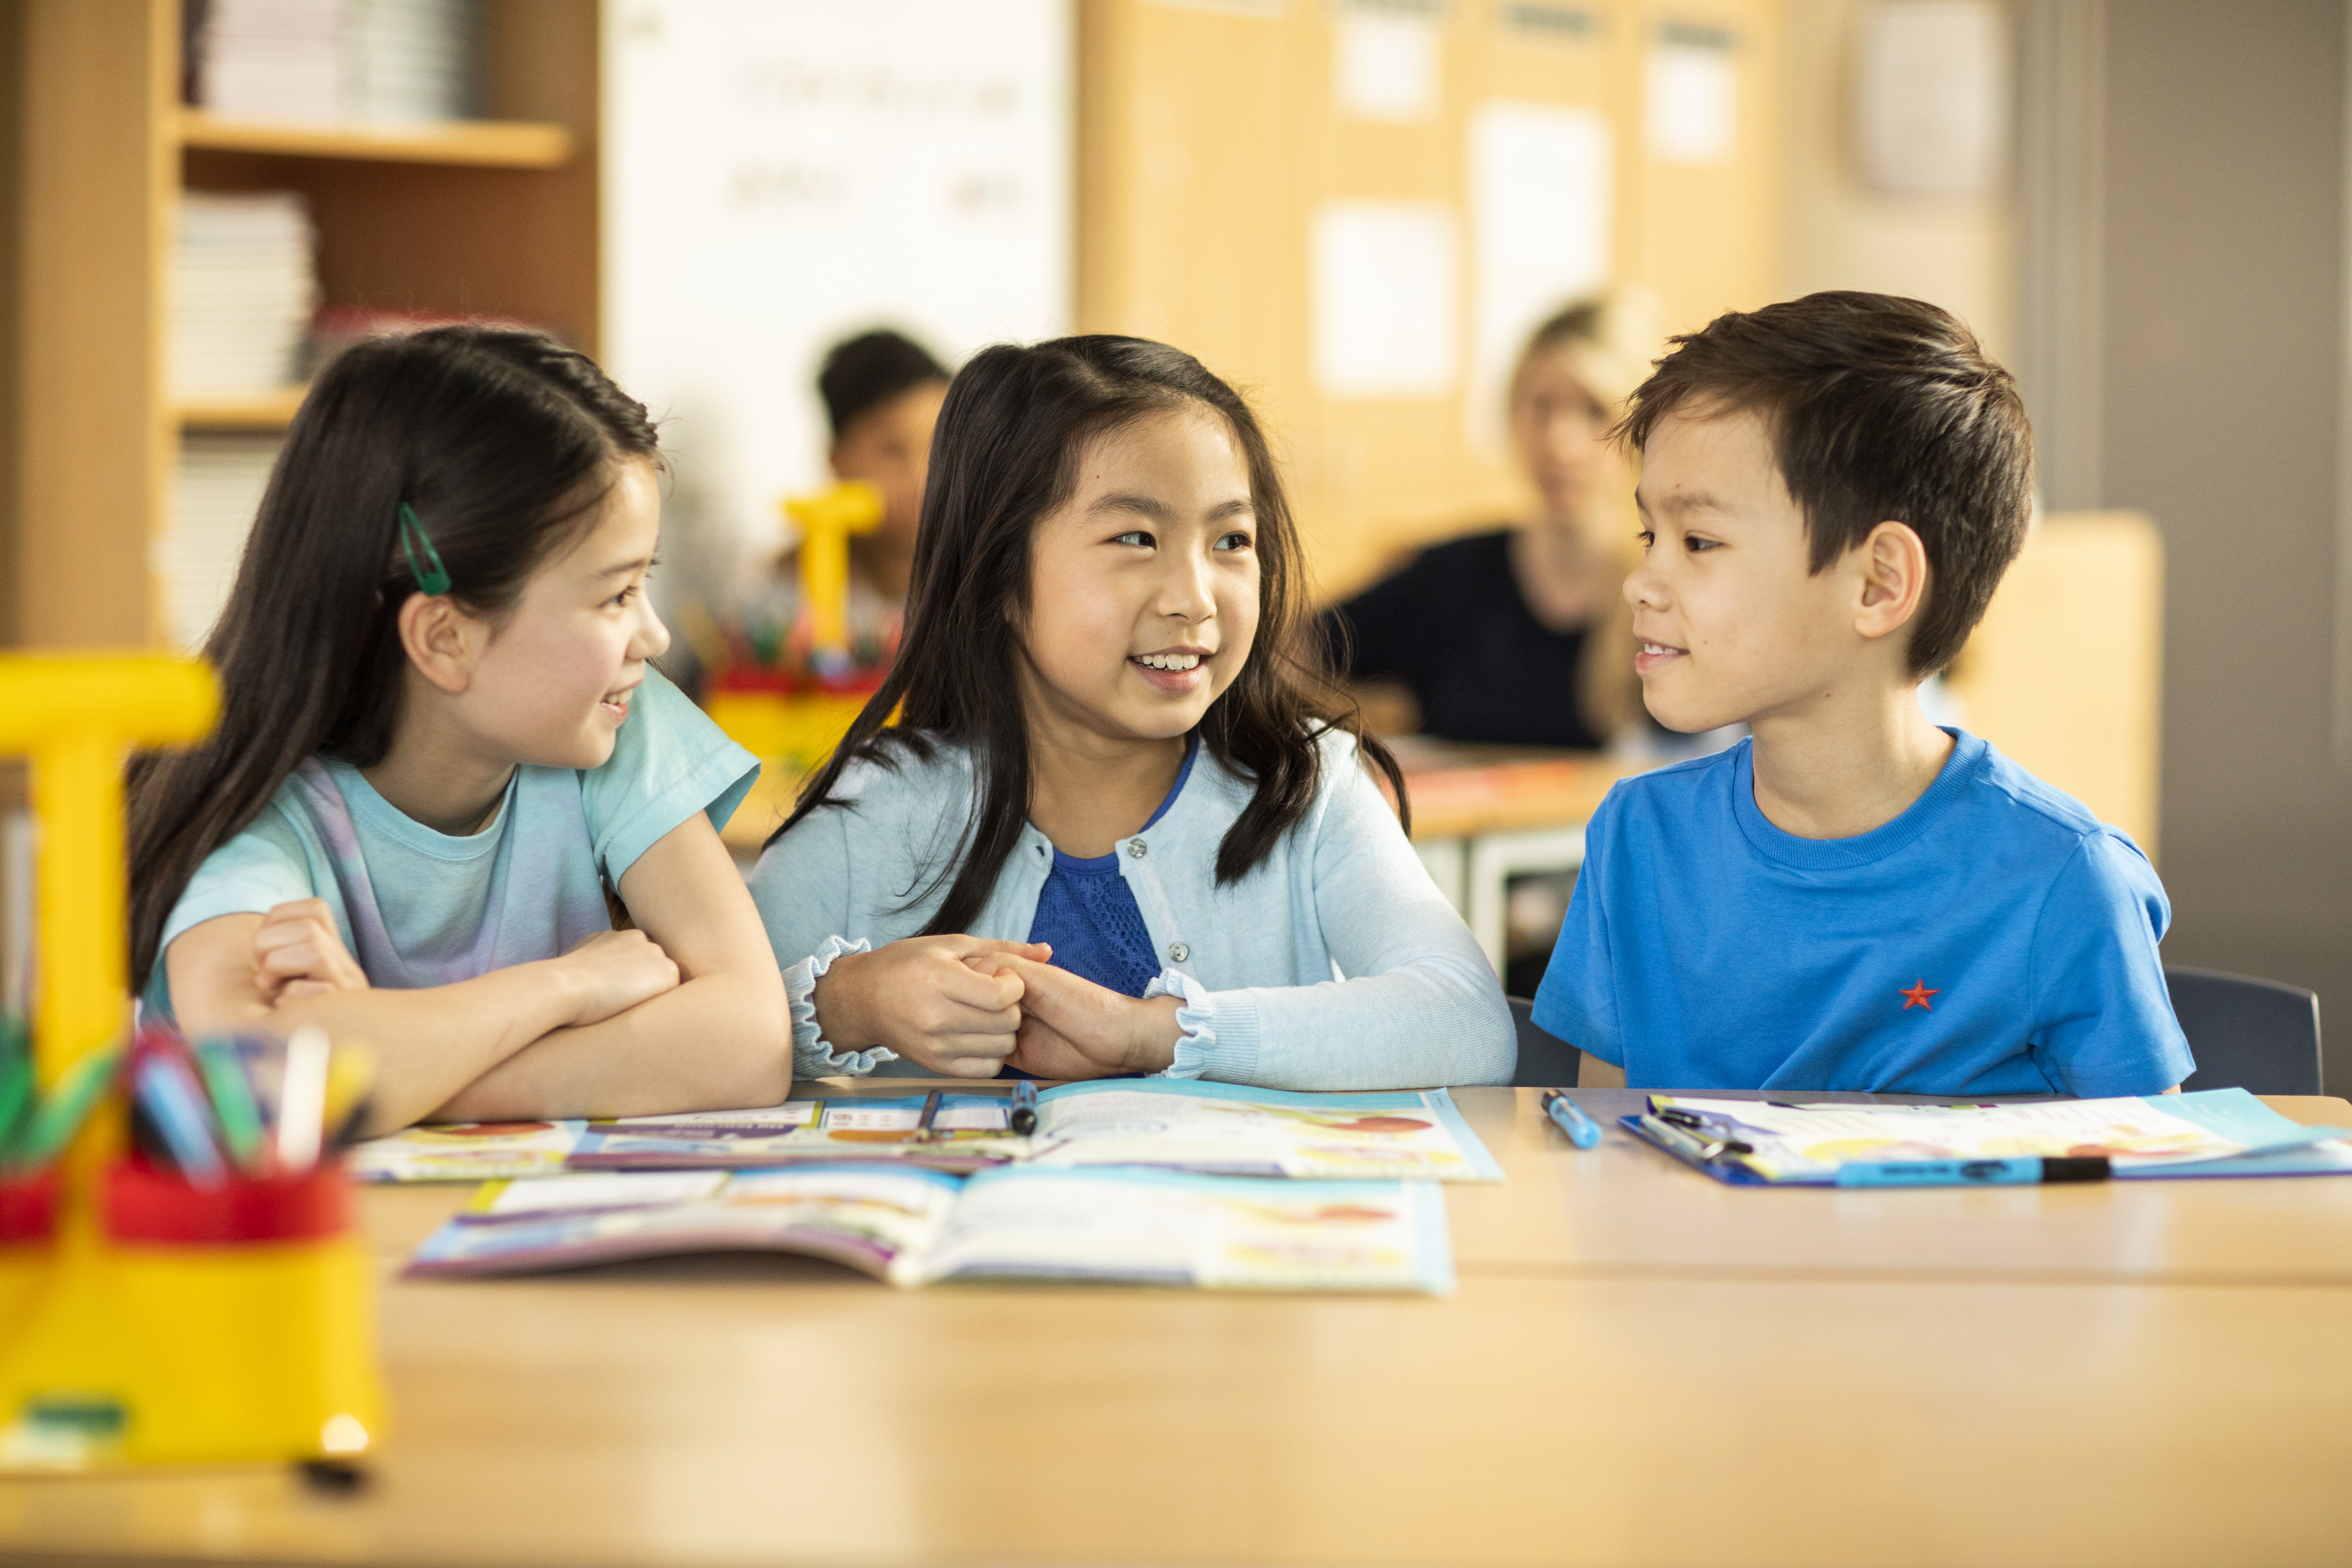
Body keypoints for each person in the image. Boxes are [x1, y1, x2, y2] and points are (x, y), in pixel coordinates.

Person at [748, 335, 1513, 1089]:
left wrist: (1156, 1034)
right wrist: (854, 1001)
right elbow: (708, 1018)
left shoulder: (1304, 787)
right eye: (1137, 537)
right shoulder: (881, 808)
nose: (1195, 597)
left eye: (1231, 540)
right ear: (999, 577)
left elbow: (1467, 1021)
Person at [129, 325, 790, 1133]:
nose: (653, 639)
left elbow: (750, 1040)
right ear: (446, 639)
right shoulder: (259, 817)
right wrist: (565, 989)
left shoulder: (618, 725)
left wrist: (395, 1077)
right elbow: (267, 1087)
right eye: (616, 596)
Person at [1534, 292, 2192, 1096]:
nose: (1642, 583)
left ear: (1879, 584)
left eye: (1699, 541)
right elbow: (1603, 1157)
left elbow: (2151, 1187)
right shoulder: (1639, 842)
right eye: (1651, 537)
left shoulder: (2064, 882)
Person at [1318, 297, 1650, 747]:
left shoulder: (1664, 594)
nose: (1560, 442)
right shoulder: (1451, 576)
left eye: (1594, 411)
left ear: (1638, 431)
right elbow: (1291, 652)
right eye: (1541, 408)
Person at [738, 329, 951, 665]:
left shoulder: (989, 595)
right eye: (892, 451)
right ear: (835, 459)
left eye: (941, 447)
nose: (922, 477)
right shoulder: (784, 608)